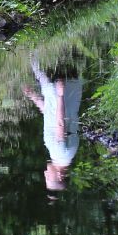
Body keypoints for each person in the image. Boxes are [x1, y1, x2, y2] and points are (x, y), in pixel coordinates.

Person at [22, 55, 82, 192]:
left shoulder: (67, 156)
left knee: (62, 52)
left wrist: (33, 97)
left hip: (70, 90)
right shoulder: (59, 155)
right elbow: (60, 123)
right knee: (36, 57)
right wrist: (60, 95)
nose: (45, 174)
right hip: (57, 93)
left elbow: (49, 117)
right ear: (60, 176)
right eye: (48, 177)